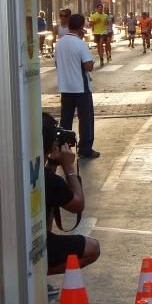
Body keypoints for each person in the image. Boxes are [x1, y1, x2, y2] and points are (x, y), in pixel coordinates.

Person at [42, 113, 100, 275]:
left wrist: (52, 163)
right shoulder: (51, 181)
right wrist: (68, 167)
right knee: (92, 248)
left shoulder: (36, 175)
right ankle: (38, 275)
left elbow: (46, 224)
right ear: (52, 144)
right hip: (33, 246)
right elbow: (77, 205)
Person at [55, 14, 98, 159]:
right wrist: (92, 63)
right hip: (80, 87)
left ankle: (64, 147)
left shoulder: (59, 43)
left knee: (65, 119)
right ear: (81, 27)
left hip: (65, 87)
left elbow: (57, 64)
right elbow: (88, 66)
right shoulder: (80, 43)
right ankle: (85, 148)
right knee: (85, 118)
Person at [88, 3, 108, 68]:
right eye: (99, 8)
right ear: (96, 9)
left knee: (100, 44)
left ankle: (102, 56)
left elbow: (106, 23)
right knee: (99, 46)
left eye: (101, 8)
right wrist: (96, 21)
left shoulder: (105, 16)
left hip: (103, 32)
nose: (100, 9)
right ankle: (101, 58)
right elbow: (90, 25)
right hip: (96, 32)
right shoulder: (93, 16)